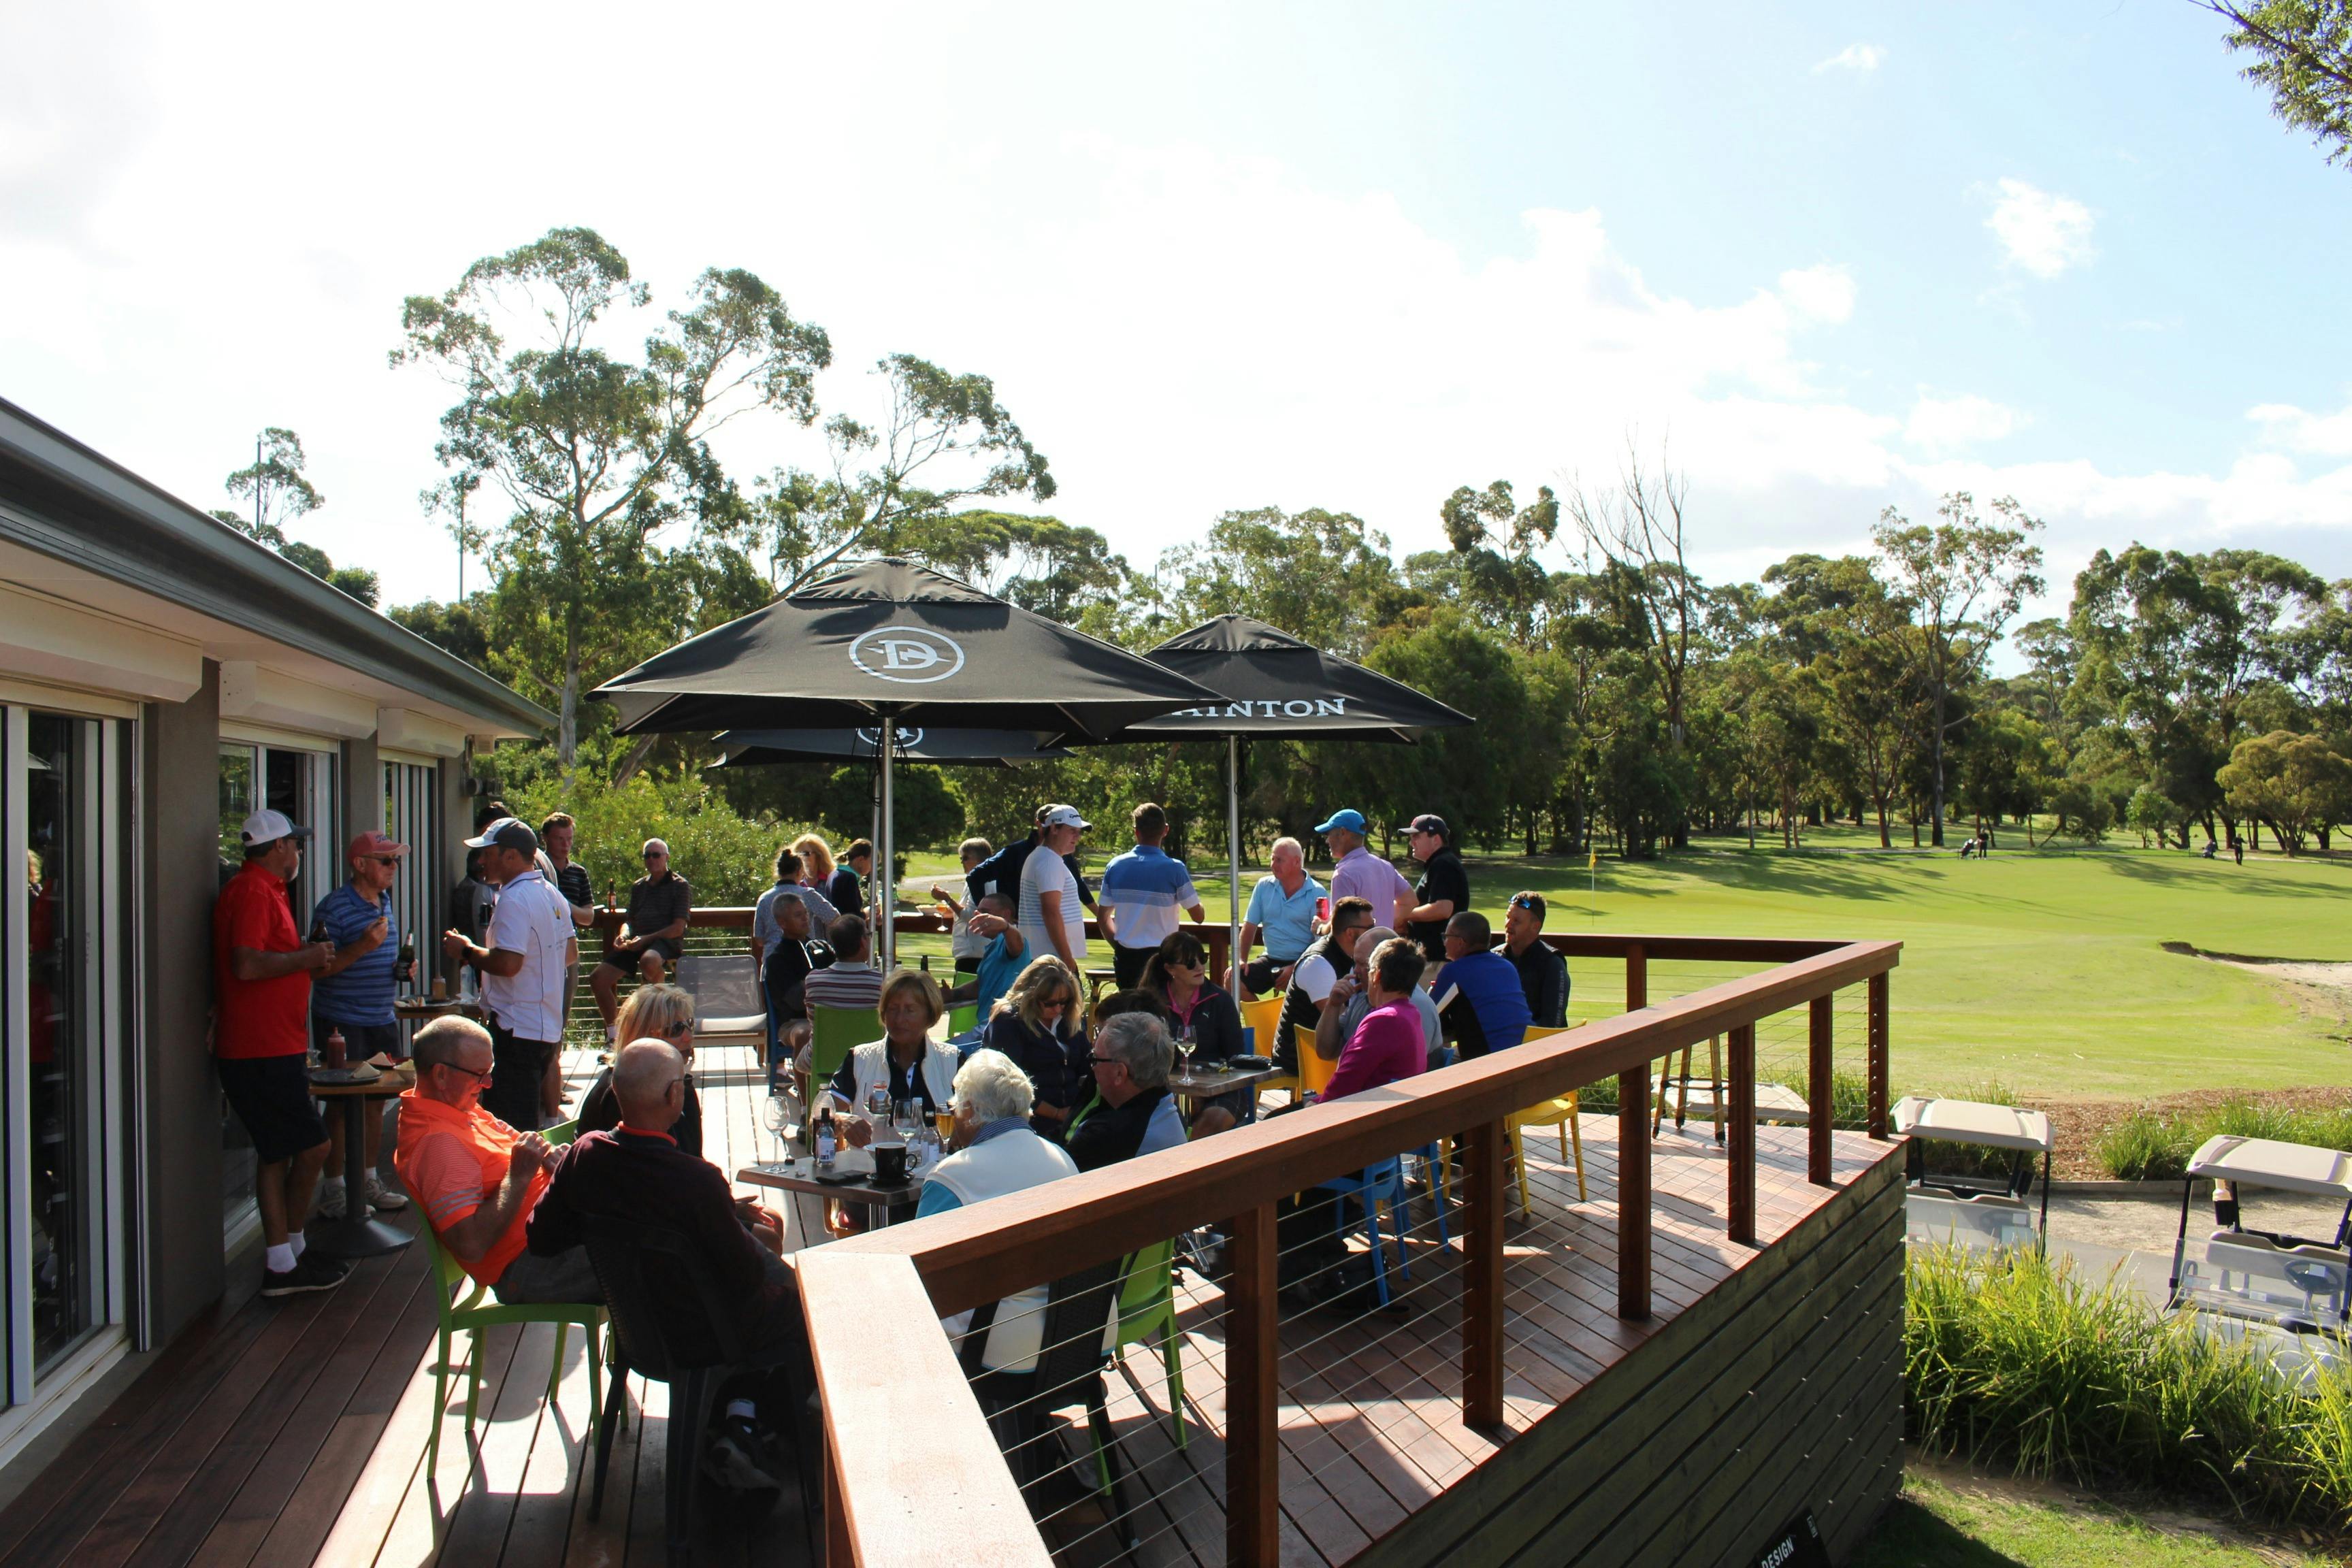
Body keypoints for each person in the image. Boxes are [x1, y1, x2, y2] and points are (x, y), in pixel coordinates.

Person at [525, 1039, 809, 1497]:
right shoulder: (696, 1182)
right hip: (708, 1336)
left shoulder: (585, 1155)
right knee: (806, 1310)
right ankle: (748, 1422)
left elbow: (542, 1238)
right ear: (674, 1097)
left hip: (635, 1334)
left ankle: (738, 1423)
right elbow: (745, 1279)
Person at [213, 808, 342, 1297]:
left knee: (278, 1152)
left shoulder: (266, 890)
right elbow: (245, 964)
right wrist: (305, 957)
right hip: (259, 1050)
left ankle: (287, 1257)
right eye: (295, 843)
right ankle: (285, 1256)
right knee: (313, 1146)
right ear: (278, 848)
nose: (299, 851)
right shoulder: (250, 891)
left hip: (271, 1045)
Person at [394, 1016, 601, 1304]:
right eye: (480, 1074)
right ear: (440, 1075)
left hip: (555, 1236)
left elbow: (526, 1148)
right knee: (654, 1261)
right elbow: (472, 1247)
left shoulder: (460, 1108)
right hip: (530, 1265)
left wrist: (552, 1160)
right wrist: (518, 1177)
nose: (489, 1084)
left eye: (490, 1071)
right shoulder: (438, 1144)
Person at [1278, 938, 1429, 1304]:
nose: (1357, 974)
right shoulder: (1410, 1015)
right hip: (1382, 1144)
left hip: (1359, 1146)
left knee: (1271, 1143)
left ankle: (1292, 1259)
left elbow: (1339, 1092)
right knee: (1280, 1123)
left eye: (1363, 968)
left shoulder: (1381, 1021)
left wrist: (1311, 1108)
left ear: (1376, 975)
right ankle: (1308, 1253)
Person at [917, 1049, 1082, 1373]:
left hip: (999, 1347)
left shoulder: (953, 1175)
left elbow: (920, 1273)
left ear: (972, 1112)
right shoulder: (1063, 1160)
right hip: (1077, 1335)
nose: (953, 1109)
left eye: (957, 1102)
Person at [442, 817, 574, 1132]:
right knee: (524, 1127)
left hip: (516, 1031)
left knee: (512, 1131)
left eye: (488, 852)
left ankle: (521, 1182)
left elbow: (509, 964)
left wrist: (466, 950)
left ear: (511, 856)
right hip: (545, 1027)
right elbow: (570, 955)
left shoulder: (513, 899)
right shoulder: (551, 893)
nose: (481, 860)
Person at [310, 830, 412, 1222]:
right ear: (360, 864)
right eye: (385, 861)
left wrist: (400, 968)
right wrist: (362, 948)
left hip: (380, 1016)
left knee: (375, 1101)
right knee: (339, 1105)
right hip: (343, 1021)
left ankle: (367, 1180)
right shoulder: (333, 909)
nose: (394, 868)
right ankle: (334, 1189)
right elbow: (318, 969)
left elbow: (377, 957)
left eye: (395, 861)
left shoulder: (383, 900)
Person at [827, 970, 958, 1141]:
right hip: (871, 1165)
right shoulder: (860, 1059)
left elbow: (975, 1124)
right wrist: (840, 1120)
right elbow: (817, 1119)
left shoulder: (952, 1061)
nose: (899, 1019)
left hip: (936, 1166)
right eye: (893, 1009)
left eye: (910, 1010)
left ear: (930, 1015)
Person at [576, 983, 706, 1156]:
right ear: (644, 1036)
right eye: (676, 1029)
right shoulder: (625, 1092)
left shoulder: (678, 1085)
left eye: (690, 1024)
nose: (689, 1036)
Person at [591, 838, 693, 1035]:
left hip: (665, 942)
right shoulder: (639, 886)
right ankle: (615, 1034)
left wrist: (646, 939)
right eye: (648, 855)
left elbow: (678, 928)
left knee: (649, 961)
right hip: (636, 942)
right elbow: (630, 920)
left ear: (667, 858)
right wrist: (623, 935)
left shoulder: (680, 885)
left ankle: (660, 1021)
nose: (652, 859)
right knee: (598, 978)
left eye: (657, 855)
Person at [981, 956, 1088, 1140]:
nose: (1058, 1009)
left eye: (1064, 1001)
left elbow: (1086, 1067)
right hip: (1027, 1121)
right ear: (1030, 996)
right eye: (1050, 1003)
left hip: (1072, 1117)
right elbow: (1008, 1084)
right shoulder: (1008, 1023)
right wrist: (1056, 1113)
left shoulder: (1069, 1020)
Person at [1100, 804, 1205, 990]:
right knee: (1161, 1013)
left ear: (1136, 832)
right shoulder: (1174, 869)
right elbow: (1198, 917)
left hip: (1126, 957)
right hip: (1163, 958)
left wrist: (1118, 946)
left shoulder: (1115, 866)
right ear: (1165, 830)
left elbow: (1103, 918)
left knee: (1130, 1013)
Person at [1066, 1011, 1187, 1172]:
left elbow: (1048, 1178)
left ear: (1119, 1074)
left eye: (1095, 1059)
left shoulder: (1108, 1136)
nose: (1093, 1068)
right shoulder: (1165, 1105)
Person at [1311, 923, 1443, 1069]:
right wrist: (1333, 1005)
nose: (1356, 971)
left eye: (1363, 964)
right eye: (1355, 962)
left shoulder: (1417, 1006)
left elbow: (1409, 1074)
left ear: (1384, 965)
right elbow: (1325, 1052)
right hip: (1366, 1088)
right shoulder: (1363, 997)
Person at [1274, 896, 1375, 1074]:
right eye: (1370, 928)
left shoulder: (1348, 956)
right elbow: (1343, 1022)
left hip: (1325, 1054)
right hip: (1303, 1059)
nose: (1373, 933)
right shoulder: (1319, 964)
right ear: (1351, 933)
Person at [541, 811, 597, 1117]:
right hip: (539, 952)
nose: (565, 845)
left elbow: (589, 916)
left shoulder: (578, 872)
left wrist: (563, 905)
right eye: (560, 839)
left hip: (567, 952)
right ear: (546, 839)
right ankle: (545, 1084)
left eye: (569, 839)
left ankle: (553, 1081)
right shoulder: (539, 869)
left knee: (560, 1018)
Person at [753, 848, 833, 1061]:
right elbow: (835, 918)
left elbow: (759, 938)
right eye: (800, 915)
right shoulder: (807, 895)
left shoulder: (765, 898)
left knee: (775, 1015)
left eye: (805, 915)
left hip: (770, 967)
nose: (805, 918)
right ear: (800, 870)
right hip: (805, 961)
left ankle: (777, 1066)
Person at [1435, 910, 1532, 1058]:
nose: (1444, 942)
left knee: (1435, 1065)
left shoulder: (1454, 971)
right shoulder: (1507, 966)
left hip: (1491, 1061)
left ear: (1460, 942)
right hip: (1527, 1051)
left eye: (1446, 937)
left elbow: (1427, 1014)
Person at [1235, 837, 1321, 998]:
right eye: (1272, 859)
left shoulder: (1317, 893)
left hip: (1303, 961)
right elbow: (1249, 926)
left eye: (1279, 860)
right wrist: (1241, 959)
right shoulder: (1263, 886)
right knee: (1233, 980)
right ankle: (1263, 1023)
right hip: (1270, 958)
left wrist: (1295, 968)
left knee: (1305, 1002)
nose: (1273, 865)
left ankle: (1278, 1023)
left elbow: (1321, 942)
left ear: (1296, 862)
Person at [1017, 805, 1090, 972]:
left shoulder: (1043, 857)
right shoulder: (1049, 861)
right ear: (1053, 829)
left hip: (1043, 956)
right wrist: (1066, 958)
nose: (1077, 837)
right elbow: (1050, 911)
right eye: (1072, 830)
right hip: (1051, 960)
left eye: (1079, 831)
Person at [1316, 808, 1414, 932]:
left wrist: (1320, 928)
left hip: (1358, 949)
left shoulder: (1344, 874)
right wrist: (1385, 925)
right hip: (1384, 947)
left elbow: (1340, 925)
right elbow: (1410, 901)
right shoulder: (1386, 866)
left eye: (1328, 834)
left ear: (1342, 833)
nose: (1327, 840)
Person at [1403, 814, 1468, 981]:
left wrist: (1405, 915)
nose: (1412, 843)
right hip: (1433, 958)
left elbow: (1443, 908)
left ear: (1436, 839)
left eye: (1417, 836)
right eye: (1411, 838)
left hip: (1437, 960)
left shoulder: (1443, 864)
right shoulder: (1438, 863)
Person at [945, 892, 1026, 1021]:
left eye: (985, 912)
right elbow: (981, 986)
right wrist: (951, 994)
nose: (977, 916)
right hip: (987, 1025)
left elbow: (1017, 945)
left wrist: (1005, 926)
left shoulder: (1015, 940)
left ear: (1006, 915)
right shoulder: (993, 946)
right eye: (977, 912)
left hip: (1004, 1026)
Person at [1502, 892, 1569, 1029]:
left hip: (1539, 1046)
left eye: (1516, 921)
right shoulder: (1496, 957)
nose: (1508, 925)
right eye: (1508, 918)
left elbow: (1552, 1025)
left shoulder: (1552, 964)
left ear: (1535, 927)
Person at [931, 838, 994, 977]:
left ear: (980, 858)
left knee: (965, 996)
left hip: (974, 954)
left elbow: (971, 915)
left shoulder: (981, 881)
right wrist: (949, 909)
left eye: (965, 858)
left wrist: (947, 898)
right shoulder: (973, 880)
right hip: (970, 953)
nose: (962, 862)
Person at [803, 913, 884, 1013]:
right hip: (864, 1029)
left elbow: (813, 1020)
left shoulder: (813, 981)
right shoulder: (880, 984)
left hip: (828, 1028)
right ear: (863, 942)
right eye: (868, 935)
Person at [840, 838, 875, 920]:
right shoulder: (848, 879)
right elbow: (853, 917)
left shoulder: (838, 874)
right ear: (861, 860)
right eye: (871, 863)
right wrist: (869, 911)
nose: (872, 868)